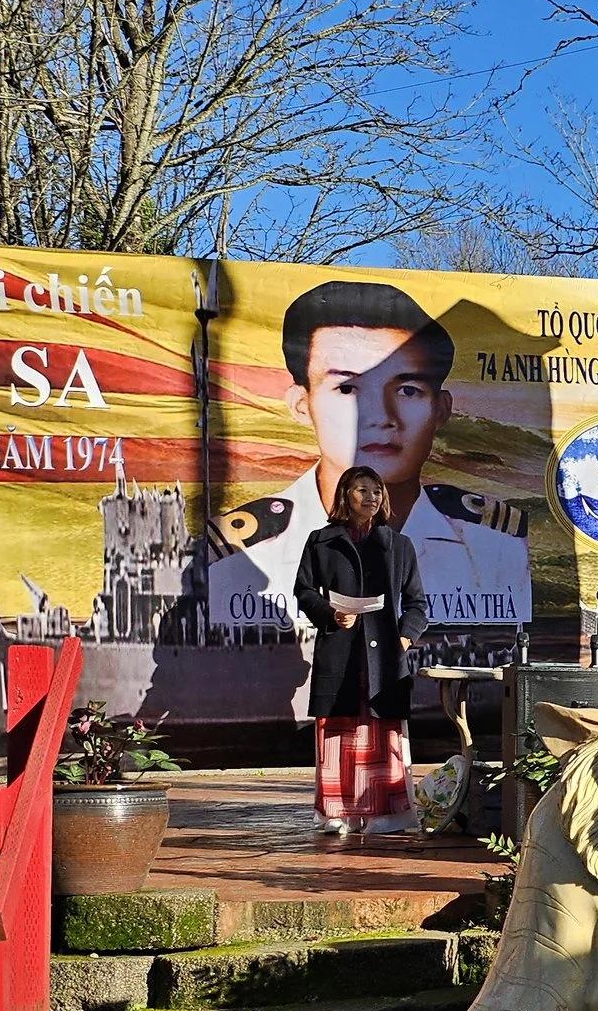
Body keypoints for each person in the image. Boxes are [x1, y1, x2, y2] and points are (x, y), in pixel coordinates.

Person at [210, 280, 530, 652]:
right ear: (302, 404)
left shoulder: (498, 547)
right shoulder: (242, 551)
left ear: (441, 409)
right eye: (347, 389)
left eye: (408, 390)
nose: (380, 417)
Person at [292, 466, 428, 836]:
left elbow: (417, 604)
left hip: (385, 659)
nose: (371, 497)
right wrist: (331, 614)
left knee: (383, 736)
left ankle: (389, 812)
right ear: (345, 495)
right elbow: (304, 591)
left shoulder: (398, 545)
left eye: (376, 491)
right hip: (339, 650)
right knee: (338, 732)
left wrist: (402, 640)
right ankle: (336, 812)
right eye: (362, 490)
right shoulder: (322, 541)